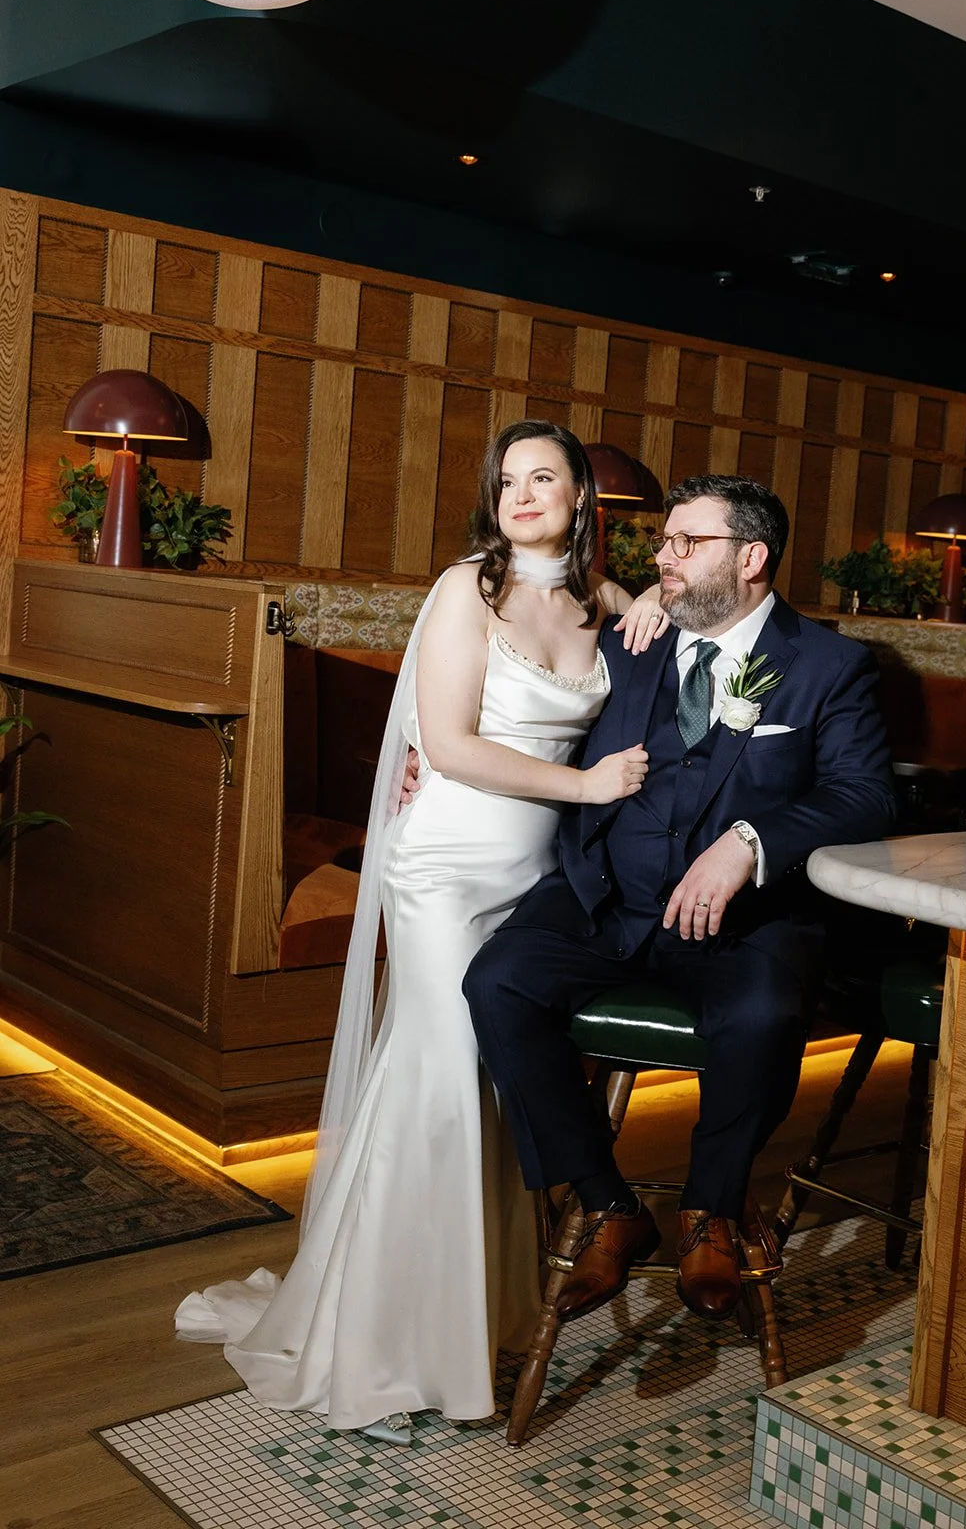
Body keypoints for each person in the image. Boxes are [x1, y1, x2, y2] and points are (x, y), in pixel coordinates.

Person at [176, 420, 666, 1442]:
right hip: (444, 864)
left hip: (535, 877)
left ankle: (459, 1325)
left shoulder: (602, 602)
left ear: (583, 496)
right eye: (507, 480)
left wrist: (659, 592)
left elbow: (677, 612)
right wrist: (584, 781)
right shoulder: (466, 591)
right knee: (440, 1079)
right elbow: (446, 742)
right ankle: (384, 1355)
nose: (523, 494)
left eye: (545, 477)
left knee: (490, 1089)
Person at [464, 474, 896, 1325]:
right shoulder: (633, 641)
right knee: (498, 983)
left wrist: (748, 845)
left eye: (685, 544)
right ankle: (610, 1206)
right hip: (607, 896)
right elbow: (530, 700)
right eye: (663, 541)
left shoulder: (829, 665)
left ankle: (711, 1208)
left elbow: (867, 796)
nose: (662, 556)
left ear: (752, 558)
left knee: (764, 1012)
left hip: (743, 921)